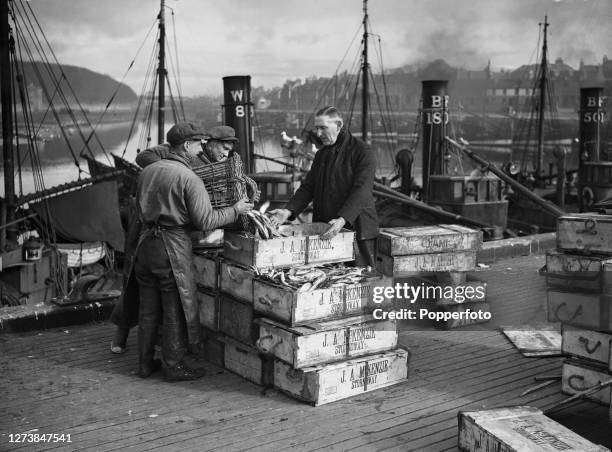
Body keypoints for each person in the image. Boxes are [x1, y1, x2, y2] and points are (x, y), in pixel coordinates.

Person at [109, 124, 247, 354]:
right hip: (150, 228)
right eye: (223, 148)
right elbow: (144, 156)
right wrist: (168, 174)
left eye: (229, 151)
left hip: (173, 228)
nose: (226, 154)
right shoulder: (182, 156)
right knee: (136, 287)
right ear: (207, 142)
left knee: (151, 295)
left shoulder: (215, 165)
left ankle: (150, 353)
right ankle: (123, 337)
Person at [270, 106, 378, 267]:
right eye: (317, 128)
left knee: (360, 282)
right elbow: (309, 187)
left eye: (323, 128)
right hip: (326, 230)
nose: (318, 134)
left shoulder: (363, 152)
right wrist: (288, 211)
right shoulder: (322, 154)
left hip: (359, 231)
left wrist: (342, 219)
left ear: (339, 125)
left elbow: (361, 191)